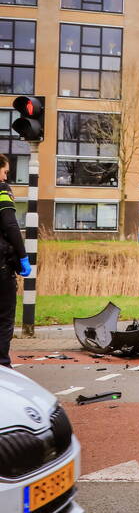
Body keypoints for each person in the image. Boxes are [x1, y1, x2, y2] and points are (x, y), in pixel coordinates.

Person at [0, 154, 31, 368]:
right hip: (1, 265)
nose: (6, 175)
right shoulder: (2, 190)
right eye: (4, 171)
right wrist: (22, 257)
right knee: (3, 317)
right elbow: (10, 225)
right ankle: (2, 366)